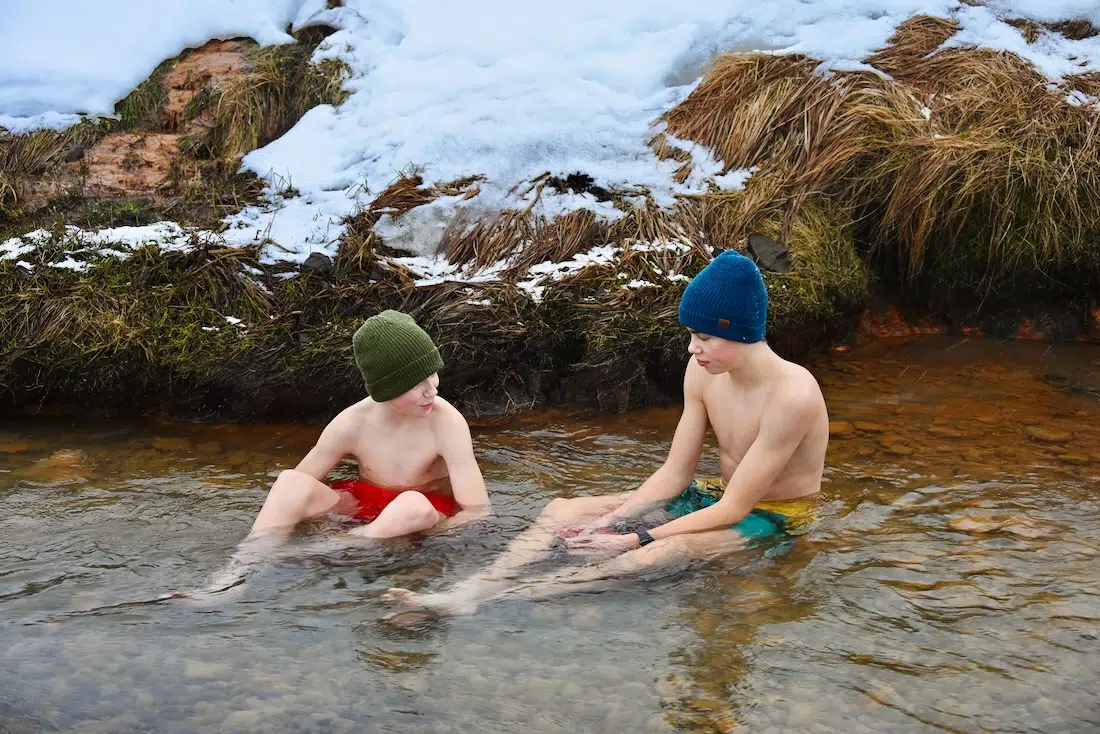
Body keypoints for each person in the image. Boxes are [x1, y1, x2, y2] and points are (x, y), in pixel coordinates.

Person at [384, 250, 828, 616]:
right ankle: (473, 589)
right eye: (690, 335)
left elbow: (736, 507)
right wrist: (608, 519)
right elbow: (675, 475)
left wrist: (637, 536)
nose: (692, 349)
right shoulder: (703, 373)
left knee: (651, 556)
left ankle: (488, 603)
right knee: (563, 510)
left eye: (704, 337)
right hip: (717, 494)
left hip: (776, 516)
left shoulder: (793, 395)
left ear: (739, 332)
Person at [189, 310, 490, 599]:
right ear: (385, 389)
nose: (432, 390)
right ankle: (238, 571)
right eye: (417, 383)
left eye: (432, 374)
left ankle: (317, 552)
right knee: (290, 482)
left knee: (411, 505)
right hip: (363, 504)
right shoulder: (353, 422)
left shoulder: (446, 423)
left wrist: (437, 539)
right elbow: (304, 484)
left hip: (421, 513)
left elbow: (476, 509)